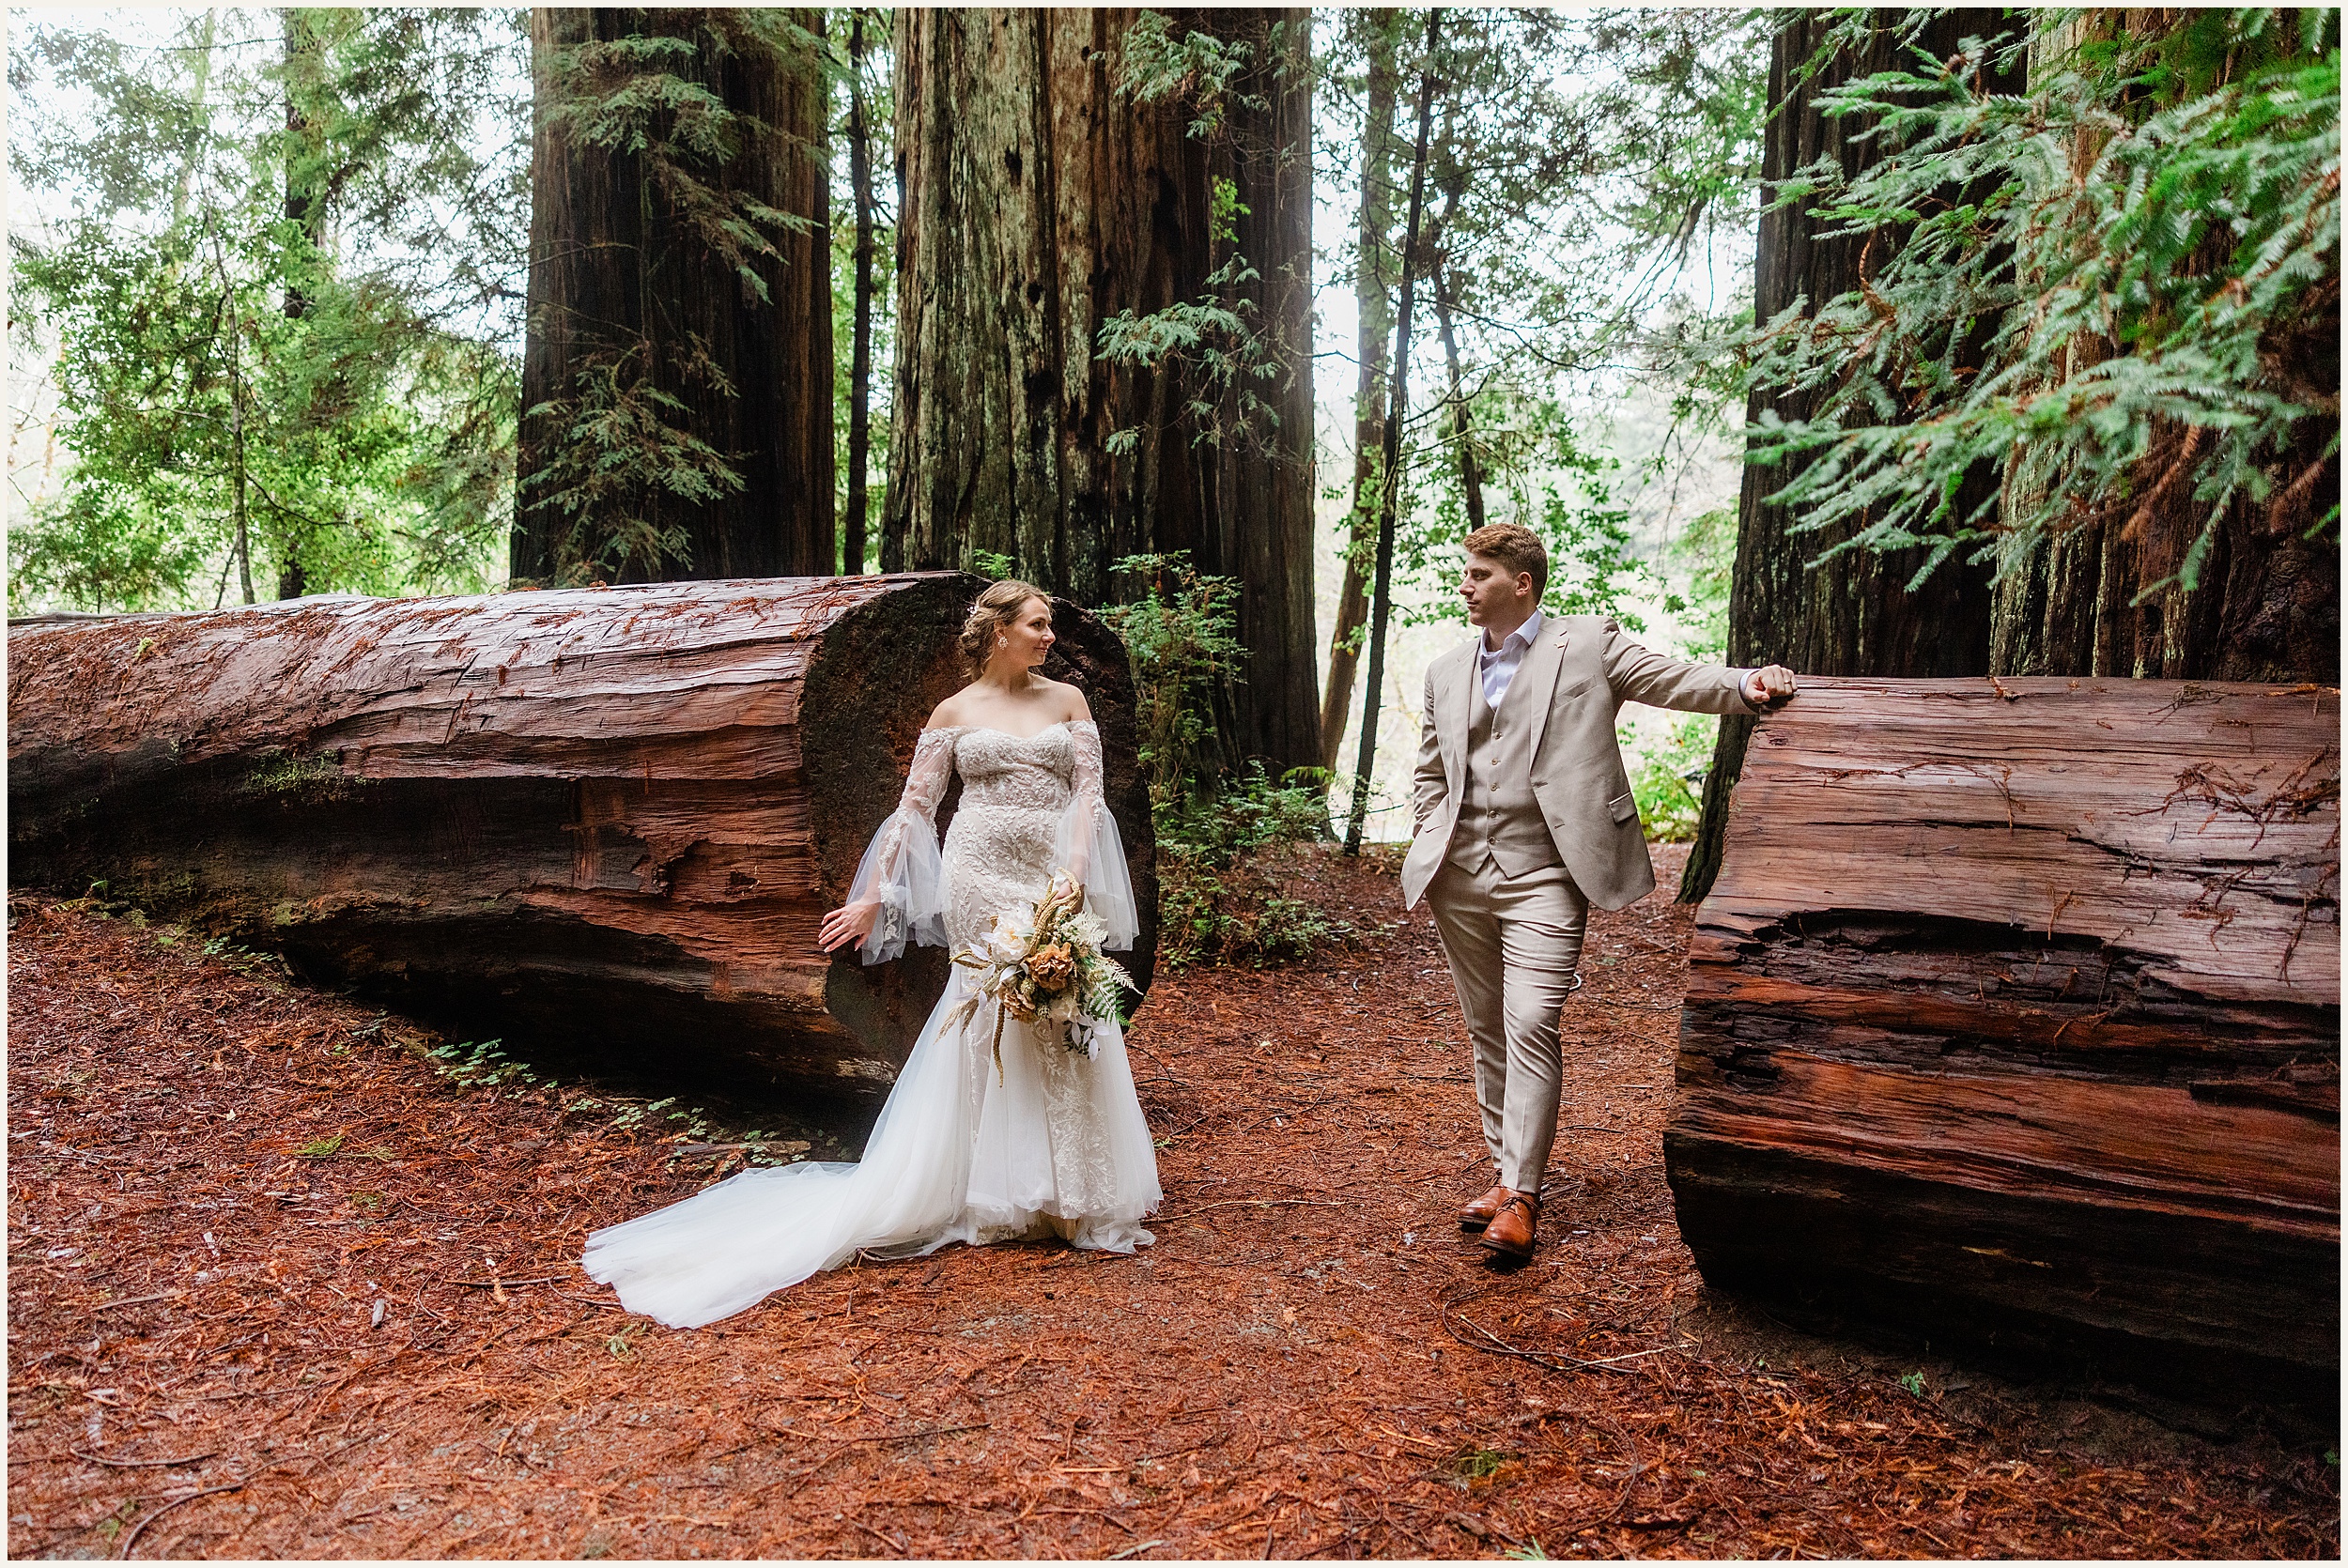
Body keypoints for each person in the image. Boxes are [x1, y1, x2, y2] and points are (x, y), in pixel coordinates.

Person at [582, 580, 1161, 1328]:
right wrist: (875, 896)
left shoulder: (1069, 704)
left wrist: (1074, 878)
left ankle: (1076, 1191)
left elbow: (1089, 797)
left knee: (1065, 1001)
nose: (1050, 637)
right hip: (979, 874)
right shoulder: (954, 713)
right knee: (990, 1009)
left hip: (1051, 870)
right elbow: (916, 809)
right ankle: (995, 1190)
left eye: (1049, 626)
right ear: (998, 631)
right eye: (1038, 625)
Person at [1401, 523, 1796, 1262]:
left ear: (1521, 583)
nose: (1465, 585)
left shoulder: (1586, 644)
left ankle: (1523, 1197)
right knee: (1487, 1029)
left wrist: (1747, 685)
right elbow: (1432, 769)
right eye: (1466, 573)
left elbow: (1670, 676)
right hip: (1459, 878)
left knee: (1531, 1022)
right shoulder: (1445, 670)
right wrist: (1432, 827)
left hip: (1549, 873)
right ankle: (1503, 1170)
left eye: (1478, 574)